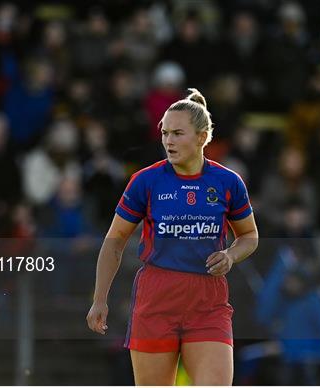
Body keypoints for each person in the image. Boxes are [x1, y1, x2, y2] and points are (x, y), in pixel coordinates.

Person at [86, 88, 259, 385]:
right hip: (156, 300)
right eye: (165, 133)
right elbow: (114, 241)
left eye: (178, 133)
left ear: (203, 137)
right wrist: (99, 298)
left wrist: (230, 255)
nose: (168, 141)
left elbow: (249, 235)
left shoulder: (228, 182)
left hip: (208, 301)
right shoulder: (146, 181)